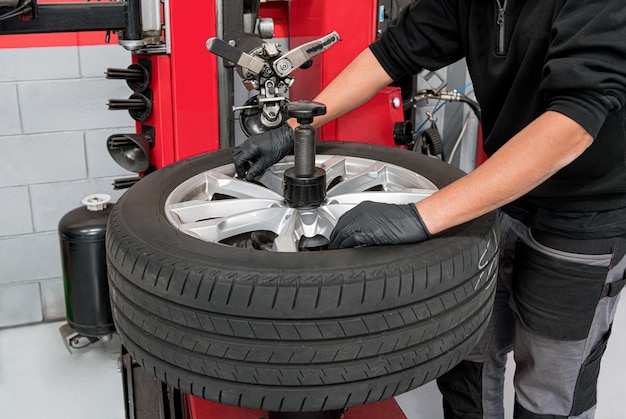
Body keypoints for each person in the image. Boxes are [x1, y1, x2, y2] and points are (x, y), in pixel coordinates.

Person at [232, 1, 626, 418]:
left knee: (549, 394)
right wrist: (294, 130)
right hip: (501, 194)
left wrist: (421, 216)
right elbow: (393, 52)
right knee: (467, 358)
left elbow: (574, 123)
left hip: (583, 217)